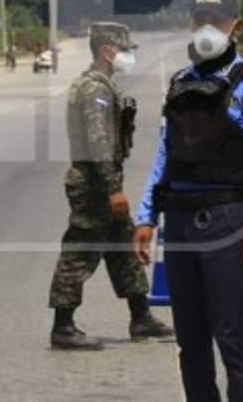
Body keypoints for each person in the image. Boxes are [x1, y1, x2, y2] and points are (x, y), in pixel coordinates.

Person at [132, 0, 243, 401]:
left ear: (235, 27)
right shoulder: (181, 83)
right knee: (190, 342)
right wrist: (147, 216)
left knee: (232, 336)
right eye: (199, 20)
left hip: (228, 220)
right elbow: (165, 157)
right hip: (179, 222)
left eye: (215, 22)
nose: (206, 29)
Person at [49, 22, 173, 350]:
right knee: (79, 252)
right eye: (125, 49)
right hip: (94, 186)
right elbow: (99, 142)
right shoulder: (95, 90)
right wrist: (113, 188)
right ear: (107, 50)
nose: (128, 56)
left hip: (100, 183)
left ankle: (141, 317)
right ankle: (63, 326)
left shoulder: (102, 85)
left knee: (123, 248)